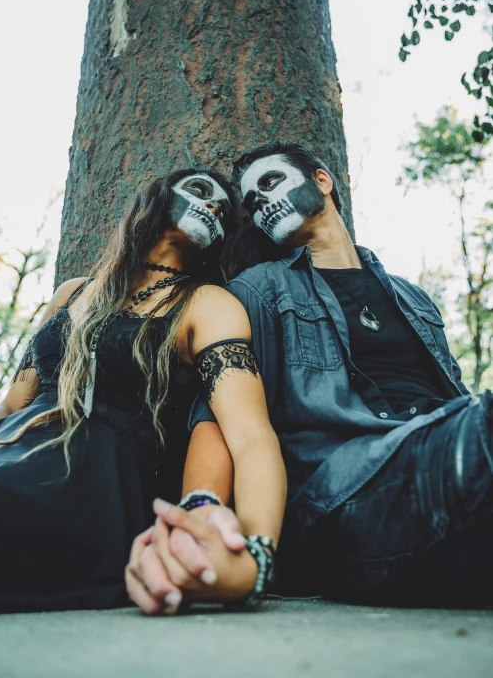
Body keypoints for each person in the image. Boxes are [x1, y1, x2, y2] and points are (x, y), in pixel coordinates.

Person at [130, 141, 493, 610]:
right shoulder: (259, 290)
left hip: (452, 455)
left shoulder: (414, 299)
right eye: (252, 202)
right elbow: (219, 415)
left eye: (270, 183)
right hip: (348, 495)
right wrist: (202, 515)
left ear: (322, 181)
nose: (261, 202)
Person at [0, 168, 286, 614]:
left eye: (224, 208)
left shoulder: (207, 304)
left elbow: (249, 436)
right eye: (200, 190)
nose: (214, 204)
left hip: (86, 484)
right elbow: (9, 404)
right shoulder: (71, 293)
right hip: (4, 451)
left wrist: (256, 555)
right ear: (156, 199)